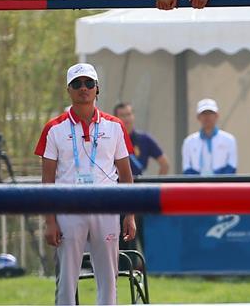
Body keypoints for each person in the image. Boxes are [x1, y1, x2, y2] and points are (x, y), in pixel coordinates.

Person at [34, 63, 136, 306]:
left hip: (107, 207)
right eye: (77, 84)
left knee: (108, 278)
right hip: (69, 208)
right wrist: (50, 221)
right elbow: (47, 180)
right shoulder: (53, 128)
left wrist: (129, 214)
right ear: (68, 89)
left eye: (89, 83)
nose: (84, 88)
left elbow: (126, 174)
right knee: (67, 279)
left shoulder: (115, 126)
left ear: (97, 88)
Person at [181, 99, 237, 175]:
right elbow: (186, 167)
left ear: (217, 116)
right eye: (204, 114)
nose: (207, 117)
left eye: (210, 113)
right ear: (198, 117)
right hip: (196, 182)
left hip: (222, 181)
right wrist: (198, 179)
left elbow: (232, 165)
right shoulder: (189, 141)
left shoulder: (229, 139)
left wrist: (217, 178)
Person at [112, 102, 169, 176]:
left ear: (133, 116)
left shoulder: (145, 139)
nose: (126, 118)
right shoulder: (111, 139)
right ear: (115, 118)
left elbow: (165, 164)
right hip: (116, 182)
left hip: (139, 181)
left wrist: (157, 182)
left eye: (129, 114)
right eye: (122, 115)